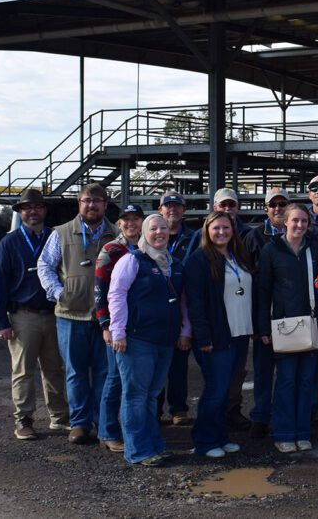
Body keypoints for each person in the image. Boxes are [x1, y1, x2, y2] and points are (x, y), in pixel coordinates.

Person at [107, 214, 191, 467]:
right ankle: (138, 450)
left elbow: (183, 301)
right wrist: (118, 331)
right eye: (153, 228)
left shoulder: (174, 263)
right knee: (135, 395)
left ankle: (154, 445)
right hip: (136, 339)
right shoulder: (132, 260)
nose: (159, 232)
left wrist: (184, 330)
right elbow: (116, 294)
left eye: (163, 228)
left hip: (164, 340)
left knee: (152, 395)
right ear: (145, 232)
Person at [38, 183, 116, 444]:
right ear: (78, 204)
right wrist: (59, 292)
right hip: (71, 317)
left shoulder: (116, 234)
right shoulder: (60, 233)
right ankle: (80, 424)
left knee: (105, 373)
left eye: (97, 200)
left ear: (105, 204)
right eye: (86, 200)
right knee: (76, 372)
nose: (91, 205)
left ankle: (103, 424)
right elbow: (44, 265)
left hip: (105, 319)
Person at [0, 188, 68, 441]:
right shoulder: (10, 242)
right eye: (27, 208)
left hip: (54, 313)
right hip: (24, 315)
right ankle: (24, 419)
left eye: (38, 207)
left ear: (45, 210)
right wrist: (1, 320)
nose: (33, 211)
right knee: (23, 370)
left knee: (54, 368)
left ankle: (59, 417)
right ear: (20, 212)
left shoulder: (55, 237)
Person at [184, 211, 256, 459]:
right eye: (216, 228)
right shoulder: (199, 260)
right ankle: (204, 440)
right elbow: (195, 303)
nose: (221, 232)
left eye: (226, 227)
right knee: (215, 390)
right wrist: (203, 337)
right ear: (207, 230)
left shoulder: (238, 256)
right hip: (216, 336)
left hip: (239, 334)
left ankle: (220, 437)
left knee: (227, 391)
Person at [255, 204, 318, 453]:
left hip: (309, 323)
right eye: (295, 220)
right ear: (285, 221)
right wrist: (263, 327)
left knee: (307, 382)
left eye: (304, 221)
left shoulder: (313, 249)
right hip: (283, 326)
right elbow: (263, 290)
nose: (299, 225)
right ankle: (283, 432)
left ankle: (302, 431)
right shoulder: (271, 249)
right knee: (285, 381)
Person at [93, 202, 145, 452]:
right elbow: (100, 290)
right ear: (119, 223)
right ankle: (107, 431)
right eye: (127, 220)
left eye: (136, 219)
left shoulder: (147, 248)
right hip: (118, 326)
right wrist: (105, 325)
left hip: (141, 326)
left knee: (136, 381)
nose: (131, 223)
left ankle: (133, 429)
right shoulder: (111, 250)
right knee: (114, 378)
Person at [239, 188, 290, 438]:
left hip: (291, 313)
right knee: (263, 368)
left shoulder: (299, 234)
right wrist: (255, 322)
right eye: (273, 205)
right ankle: (260, 415)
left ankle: (283, 415)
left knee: (289, 370)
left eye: (283, 204)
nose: (278, 208)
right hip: (264, 313)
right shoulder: (254, 236)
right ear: (266, 208)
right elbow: (246, 279)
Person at [158, 192, 195, 426]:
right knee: (155, 366)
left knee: (179, 365)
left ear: (184, 210)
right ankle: (154, 410)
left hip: (182, 309)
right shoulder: (151, 235)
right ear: (160, 210)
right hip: (156, 312)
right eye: (167, 206)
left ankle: (178, 409)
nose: (172, 209)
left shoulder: (194, 237)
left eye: (177, 206)